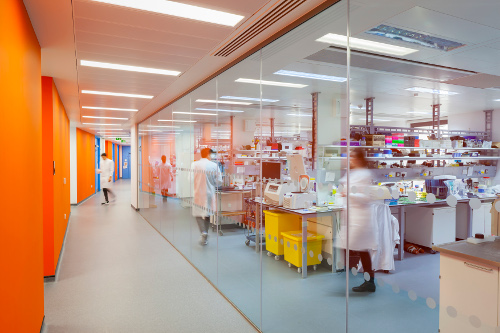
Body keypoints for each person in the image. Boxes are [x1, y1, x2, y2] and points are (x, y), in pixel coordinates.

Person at [338, 148, 378, 292]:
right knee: (358, 248)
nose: (350, 159)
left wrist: (347, 193)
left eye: (353, 157)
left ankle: (369, 281)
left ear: (359, 158)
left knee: (360, 248)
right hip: (352, 216)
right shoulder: (354, 173)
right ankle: (369, 281)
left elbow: (367, 197)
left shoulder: (365, 174)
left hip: (361, 218)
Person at [191, 148, 222, 245]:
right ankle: (205, 234)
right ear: (208, 155)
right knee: (207, 213)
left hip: (198, 193)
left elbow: (190, 179)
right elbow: (219, 182)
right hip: (209, 193)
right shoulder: (214, 165)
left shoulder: (194, 164)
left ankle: (203, 232)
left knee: (198, 213)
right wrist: (212, 182)